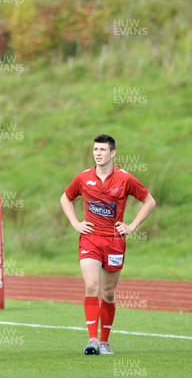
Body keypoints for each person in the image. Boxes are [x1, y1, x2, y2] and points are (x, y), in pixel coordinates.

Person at [59, 134, 156, 355]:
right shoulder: (83, 178)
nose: (98, 153)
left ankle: (104, 341)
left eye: (102, 150)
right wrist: (75, 223)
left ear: (112, 153)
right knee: (92, 285)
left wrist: (131, 226)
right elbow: (65, 198)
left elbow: (150, 201)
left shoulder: (125, 179)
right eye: (95, 150)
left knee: (109, 292)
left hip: (114, 242)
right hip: (90, 239)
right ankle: (92, 339)